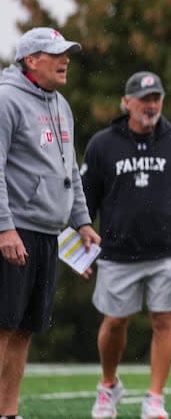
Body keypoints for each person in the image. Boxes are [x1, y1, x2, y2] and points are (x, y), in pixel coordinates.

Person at [81, 71, 171, 419]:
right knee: (114, 323)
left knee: (164, 321)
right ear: (127, 102)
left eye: (156, 98)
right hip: (117, 252)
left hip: (168, 251)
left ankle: (155, 398)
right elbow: (84, 201)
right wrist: (82, 249)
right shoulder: (102, 144)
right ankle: (108, 386)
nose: (151, 105)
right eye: (144, 99)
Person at [0, 27, 101, 419]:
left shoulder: (60, 104)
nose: (66, 60)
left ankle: (8, 412)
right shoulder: (6, 99)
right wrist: (4, 228)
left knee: (24, 329)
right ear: (31, 60)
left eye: (67, 53)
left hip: (47, 234)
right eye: (56, 53)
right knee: (3, 326)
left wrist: (82, 221)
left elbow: (70, 170)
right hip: (15, 231)